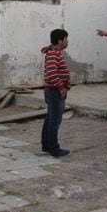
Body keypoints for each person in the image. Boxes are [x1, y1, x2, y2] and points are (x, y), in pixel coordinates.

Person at [41, 28, 71, 158]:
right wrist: (61, 88)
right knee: (55, 120)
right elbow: (52, 74)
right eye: (65, 39)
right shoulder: (53, 54)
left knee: (50, 118)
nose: (67, 42)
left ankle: (46, 145)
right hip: (54, 91)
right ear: (60, 40)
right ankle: (54, 149)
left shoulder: (56, 53)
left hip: (53, 90)